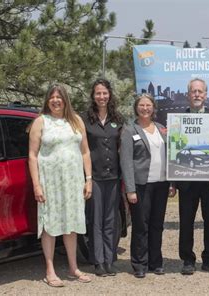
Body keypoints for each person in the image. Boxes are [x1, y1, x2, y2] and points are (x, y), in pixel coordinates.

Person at [28, 84, 92, 287]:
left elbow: (85, 152)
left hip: (73, 181)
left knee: (71, 224)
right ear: (47, 100)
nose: (55, 100)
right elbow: (32, 155)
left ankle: (73, 268)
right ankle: (50, 270)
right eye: (52, 97)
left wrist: (88, 178)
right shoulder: (40, 122)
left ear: (65, 100)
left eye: (59, 97)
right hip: (50, 182)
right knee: (50, 225)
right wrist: (36, 185)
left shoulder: (76, 121)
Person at [120, 94, 176, 278]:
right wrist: (130, 189)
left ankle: (155, 262)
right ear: (136, 108)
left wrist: (171, 182)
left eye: (148, 105)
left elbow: (170, 156)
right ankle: (139, 264)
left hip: (161, 184)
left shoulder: (161, 129)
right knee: (140, 226)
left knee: (157, 225)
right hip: (140, 185)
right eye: (142, 105)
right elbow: (126, 161)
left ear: (153, 108)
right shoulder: (129, 130)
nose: (145, 108)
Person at [175, 78, 209, 275]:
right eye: (193, 91)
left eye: (200, 91)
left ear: (206, 95)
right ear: (188, 95)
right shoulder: (179, 119)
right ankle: (187, 259)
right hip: (187, 179)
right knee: (186, 221)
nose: (197, 95)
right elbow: (174, 149)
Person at [82, 79, 124, 277]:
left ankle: (109, 259)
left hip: (114, 177)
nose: (101, 97)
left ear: (110, 95)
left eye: (105, 93)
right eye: (98, 93)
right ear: (93, 96)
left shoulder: (118, 118)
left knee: (110, 220)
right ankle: (98, 261)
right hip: (95, 178)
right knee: (96, 221)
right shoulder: (85, 120)